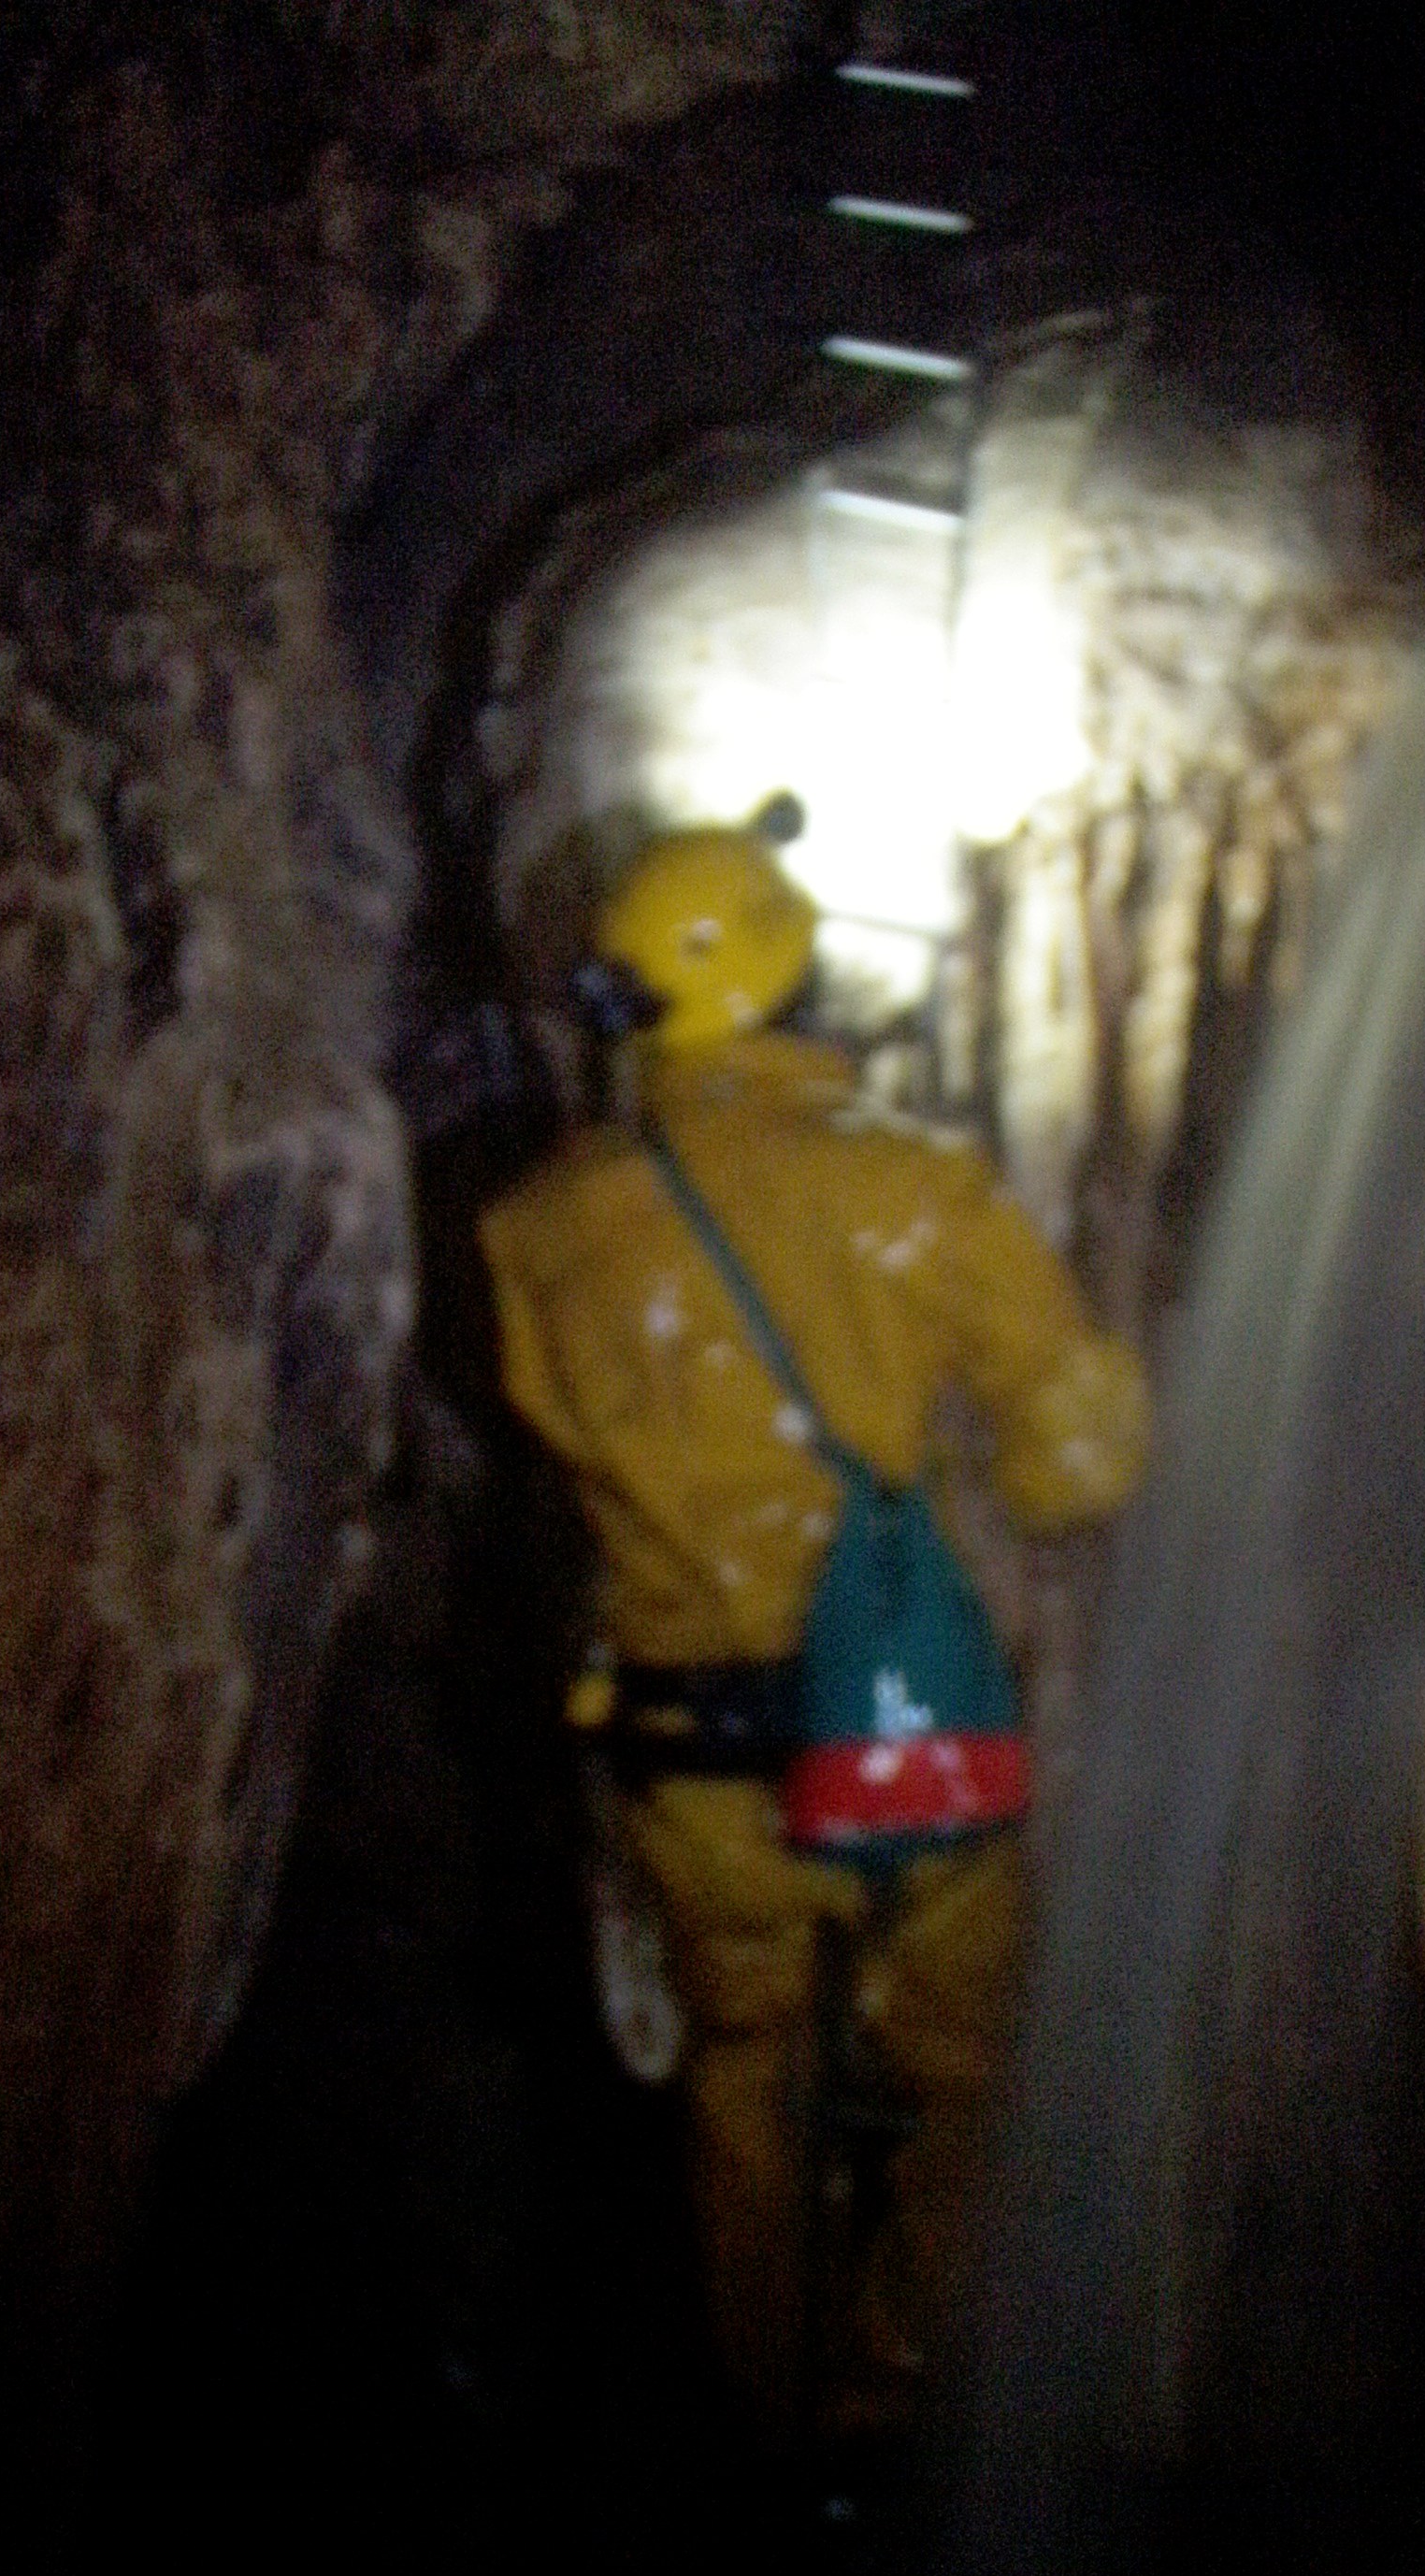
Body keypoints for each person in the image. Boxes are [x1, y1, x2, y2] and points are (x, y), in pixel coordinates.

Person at [479, 811, 1147, 2445]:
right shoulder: (911, 1185)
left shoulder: (539, 1234)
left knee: (744, 2063)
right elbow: (1080, 1458)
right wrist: (1011, 1475)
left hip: (688, 1756)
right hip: (897, 1730)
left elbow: (560, 1436)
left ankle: (760, 2409)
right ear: (801, 978)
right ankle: (895, 2386)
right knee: (964, 2065)